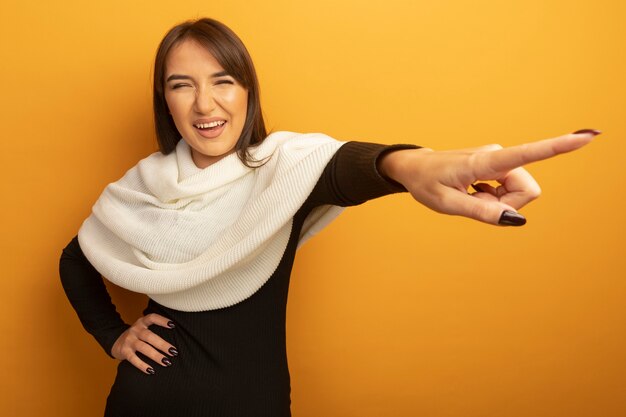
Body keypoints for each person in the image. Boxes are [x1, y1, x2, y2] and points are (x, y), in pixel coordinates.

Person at [59, 17, 600, 417]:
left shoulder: (284, 170)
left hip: (255, 405)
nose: (205, 104)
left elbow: (350, 166)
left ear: (247, 91)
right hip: (143, 404)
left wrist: (418, 165)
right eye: (183, 85)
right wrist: (113, 335)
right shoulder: (140, 187)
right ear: (165, 98)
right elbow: (76, 260)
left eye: (223, 81)